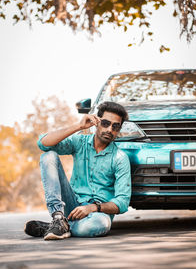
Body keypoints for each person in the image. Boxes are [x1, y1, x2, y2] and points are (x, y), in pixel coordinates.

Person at [24, 101, 131, 240]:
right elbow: (43, 144)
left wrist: (93, 208)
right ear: (96, 122)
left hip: (97, 214)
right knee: (48, 156)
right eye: (105, 123)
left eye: (115, 126)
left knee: (100, 225)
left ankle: (60, 226)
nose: (110, 129)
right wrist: (78, 126)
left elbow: (122, 202)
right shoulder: (80, 142)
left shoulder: (120, 158)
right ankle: (58, 218)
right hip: (72, 205)